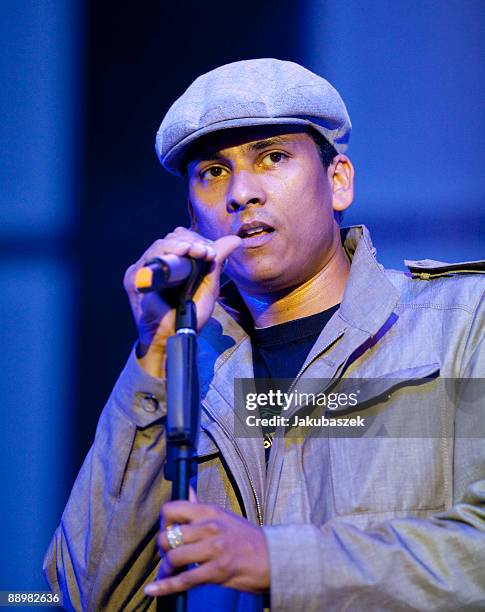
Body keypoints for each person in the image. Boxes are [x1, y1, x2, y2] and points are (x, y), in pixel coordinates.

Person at [44, 59, 485, 611]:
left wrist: (277, 560)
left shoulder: (463, 319)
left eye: (272, 157)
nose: (241, 193)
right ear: (191, 214)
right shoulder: (183, 370)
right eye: (213, 172)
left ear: (338, 180)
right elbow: (90, 595)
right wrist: (154, 355)